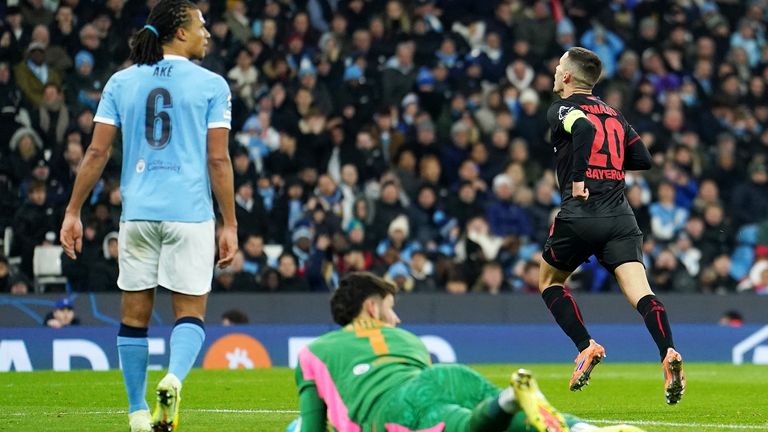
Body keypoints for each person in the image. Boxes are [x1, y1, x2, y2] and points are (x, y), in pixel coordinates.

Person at [58, 1, 237, 431]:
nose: (207, 33)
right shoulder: (213, 85)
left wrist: (73, 211)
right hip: (190, 214)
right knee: (190, 313)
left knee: (133, 317)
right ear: (179, 32)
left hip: (137, 214)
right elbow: (218, 160)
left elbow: (98, 151)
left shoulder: (121, 81)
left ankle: (138, 412)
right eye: (201, 25)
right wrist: (229, 222)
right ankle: (173, 378)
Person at [291, 272, 646, 432]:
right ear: (371, 309)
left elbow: (310, 428)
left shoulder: (315, 352)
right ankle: (584, 429)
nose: (396, 319)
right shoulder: (409, 341)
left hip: (393, 409)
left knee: (458, 423)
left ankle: (509, 398)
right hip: (447, 375)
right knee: (522, 423)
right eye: (390, 308)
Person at [540, 47, 685, 404]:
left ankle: (586, 346)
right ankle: (667, 352)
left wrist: (579, 179)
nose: (556, 72)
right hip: (620, 216)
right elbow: (643, 158)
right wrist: (609, 168)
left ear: (569, 77)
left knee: (549, 282)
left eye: (559, 67)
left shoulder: (561, 108)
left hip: (581, 213)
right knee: (642, 293)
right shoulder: (615, 115)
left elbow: (584, 128)